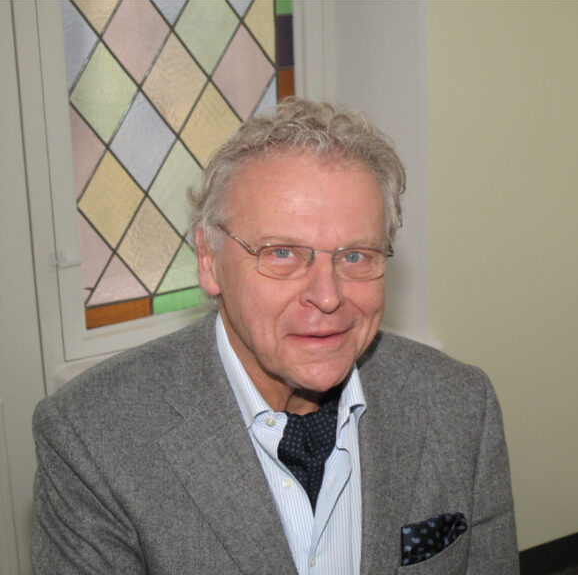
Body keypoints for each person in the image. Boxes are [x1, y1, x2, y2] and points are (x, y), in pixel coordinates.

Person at [30, 98, 519, 574]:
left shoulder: (461, 405)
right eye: (282, 253)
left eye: (355, 256)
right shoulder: (90, 439)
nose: (327, 297)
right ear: (209, 260)